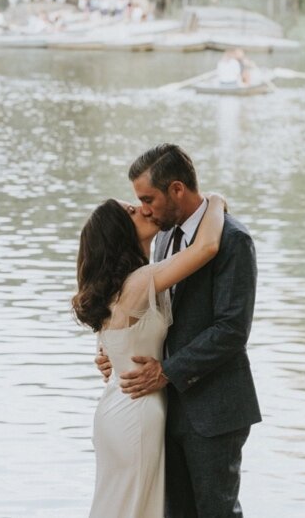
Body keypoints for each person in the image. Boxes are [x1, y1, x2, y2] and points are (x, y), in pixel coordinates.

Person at [93, 144, 261, 518]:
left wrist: (166, 371)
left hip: (213, 409)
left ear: (177, 190)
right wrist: (116, 355)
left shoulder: (233, 239)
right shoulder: (164, 238)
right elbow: (150, 314)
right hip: (162, 408)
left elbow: (232, 329)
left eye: (148, 199)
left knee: (216, 512)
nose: (146, 209)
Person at [75, 187, 229, 518]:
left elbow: (113, 337)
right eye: (132, 211)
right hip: (135, 412)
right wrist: (215, 200)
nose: (144, 210)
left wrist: (108, 355)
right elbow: (207, 246)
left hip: (121, 405)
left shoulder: (128, 283)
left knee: (121, 506)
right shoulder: (139, 281)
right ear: (120, 234)